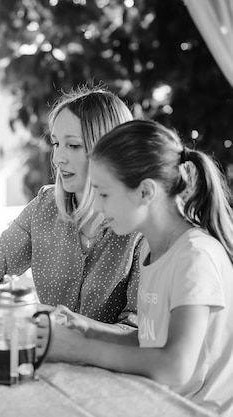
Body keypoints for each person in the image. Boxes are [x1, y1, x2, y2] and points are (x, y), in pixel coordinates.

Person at [49, 120, 233, 416]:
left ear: (145, 192)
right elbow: (148, 340)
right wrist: (89, 330)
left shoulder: (195, 257)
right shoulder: (152, 248)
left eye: (104, 194)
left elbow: (174, 366)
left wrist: (80, 351)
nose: (97, 207)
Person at [0, 87, 144, 329]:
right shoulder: (45, 207)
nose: (57, 158)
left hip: (110, 365)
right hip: (46, 355)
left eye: (73, 145)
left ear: (109, 151)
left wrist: (69, 327)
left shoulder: (140, 228)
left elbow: (136, 330)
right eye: (56, 143)